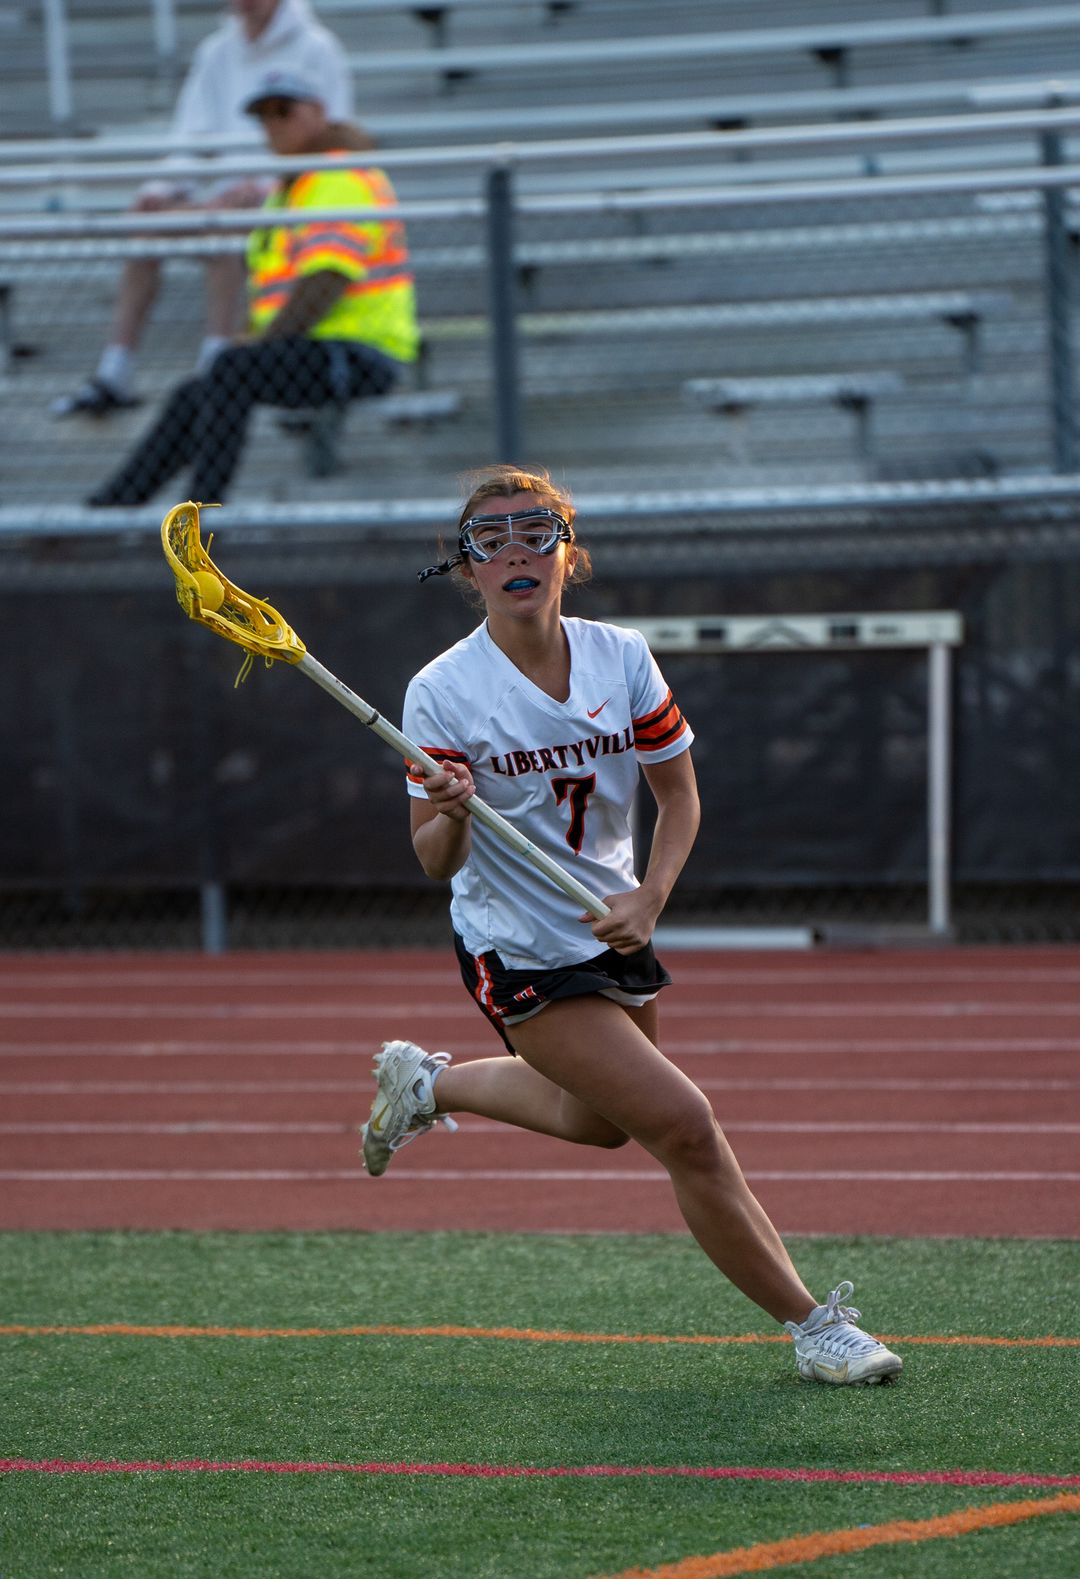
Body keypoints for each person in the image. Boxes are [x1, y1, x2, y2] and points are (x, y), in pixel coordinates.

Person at [358, 465, 904, 1389]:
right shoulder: (442, 690)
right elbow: (433, 861)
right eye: (490, 539)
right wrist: (451, 810)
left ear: (568, 552)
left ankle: (428, 1086)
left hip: (614, 925)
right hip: (518, 947)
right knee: (685, 1126)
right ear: (467, 566)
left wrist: (650, 897)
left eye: (536, 532)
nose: (516, 552)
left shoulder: (621, 657)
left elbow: (678, 795)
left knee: (601, 1123)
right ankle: (816, 1327)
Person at [86, 73, 418, 506]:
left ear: (318, 112)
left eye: (284, 111)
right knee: (194, 392)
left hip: (360, 353)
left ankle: (204, 514)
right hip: (320, 348)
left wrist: (262, 342)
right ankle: (113, 507)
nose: (273, 125)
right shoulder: (296, 185)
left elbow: (327, 279)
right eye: (264, 116)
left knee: (230, 369)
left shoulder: (334, 176)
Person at [52, 0, 353, 417]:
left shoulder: (318, 48)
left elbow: (333, 139)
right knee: (145, 223)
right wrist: (161, 190)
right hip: (225, 201)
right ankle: (115, 370)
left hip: (287, 200)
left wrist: (267, 187)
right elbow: (192, 139)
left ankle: (216, 369)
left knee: (221, 230)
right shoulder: (217, 51)